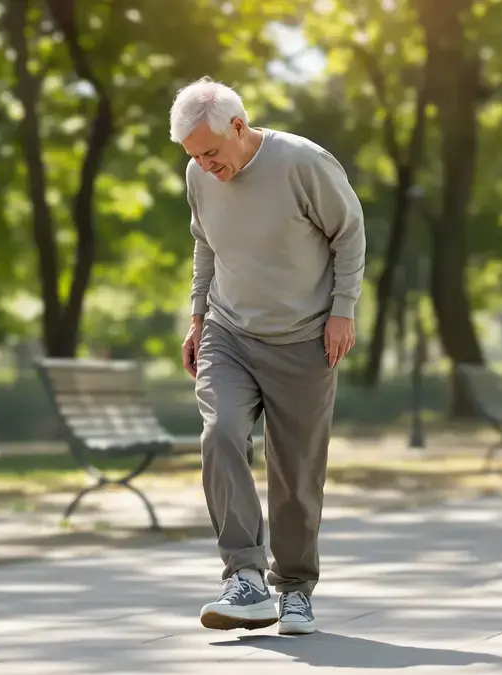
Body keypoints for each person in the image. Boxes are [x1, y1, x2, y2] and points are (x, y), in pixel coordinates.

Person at [169, 77, 366, 636]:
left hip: (305, 337)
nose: (204, 165)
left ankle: (295, 589)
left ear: (239, 126)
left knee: (296, 472)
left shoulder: (302, 162)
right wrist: (197, 317)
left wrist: (343, 310)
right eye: (193, 157)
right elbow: (204, 244)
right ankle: (245, 578)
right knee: (220, 435)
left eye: (211, 152)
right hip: (228, 331)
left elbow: (349, 234)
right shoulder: (199, 174)